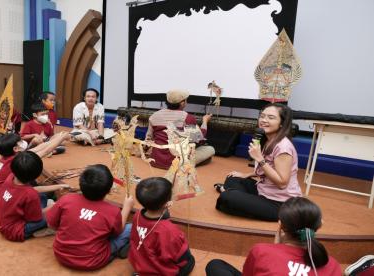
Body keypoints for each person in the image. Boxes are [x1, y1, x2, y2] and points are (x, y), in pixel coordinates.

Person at [205, 197, 341, 275]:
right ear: (319, 226)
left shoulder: (262, 251)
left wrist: (276, 249)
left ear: (281, 225)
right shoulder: (333, 266)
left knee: (215, 265)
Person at [214, 103, 301, 221]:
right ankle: (236, 196)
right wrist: (247, 174)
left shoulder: (283, 148)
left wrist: (260, 159)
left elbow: (282, 183)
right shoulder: (268, 140)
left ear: (282, 123)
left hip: (280, 203)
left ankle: (230, 194)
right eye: (262, 116)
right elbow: (270, 168)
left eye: (271, 118)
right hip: (264, 191)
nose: (264, 120)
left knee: (227, 198)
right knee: (232, 179)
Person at [46, 164, 134, 270]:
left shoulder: (67, 199)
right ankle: (117, 250)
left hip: (61, 255)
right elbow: (118, 231)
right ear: (109, 190)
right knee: (130, 228)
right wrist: (126, 208)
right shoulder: (112, 211)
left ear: (80, 183)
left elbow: (52, 224)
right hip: (94, 261)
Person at [129, 177, 195, 275]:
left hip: (138, 263)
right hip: (160, 271)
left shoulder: (137, 215)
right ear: (166, 203)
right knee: (190, 261)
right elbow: (176, 255)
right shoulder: (169, 230)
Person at [0, 132, 70, 209]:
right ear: (15, 148)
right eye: (20, 141)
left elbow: (39, 148)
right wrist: (62, 138)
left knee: (43, 190)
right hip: (4, 200)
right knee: (42, 197)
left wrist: (59, 137)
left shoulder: (9, 156)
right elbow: (45, 151)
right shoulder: (17, 160)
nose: (23, 142)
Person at [145, 89, 215, 169]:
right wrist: (205, 121)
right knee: (210, 149)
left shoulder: (154, 115)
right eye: (186, 100)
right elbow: (199, 139)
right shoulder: (187, 117)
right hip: (177, 163)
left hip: (156, 161)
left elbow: (148, 139)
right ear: (182, 103)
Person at [0, 151, 54, 241]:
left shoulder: (10, 177)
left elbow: (28, 193)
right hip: (16, 231)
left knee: (42, 196)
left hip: (3, 223)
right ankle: (38, 230)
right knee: (54, 213)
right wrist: (53, 206)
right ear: (36, 175)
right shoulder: (30, 194)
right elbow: (35, 218)